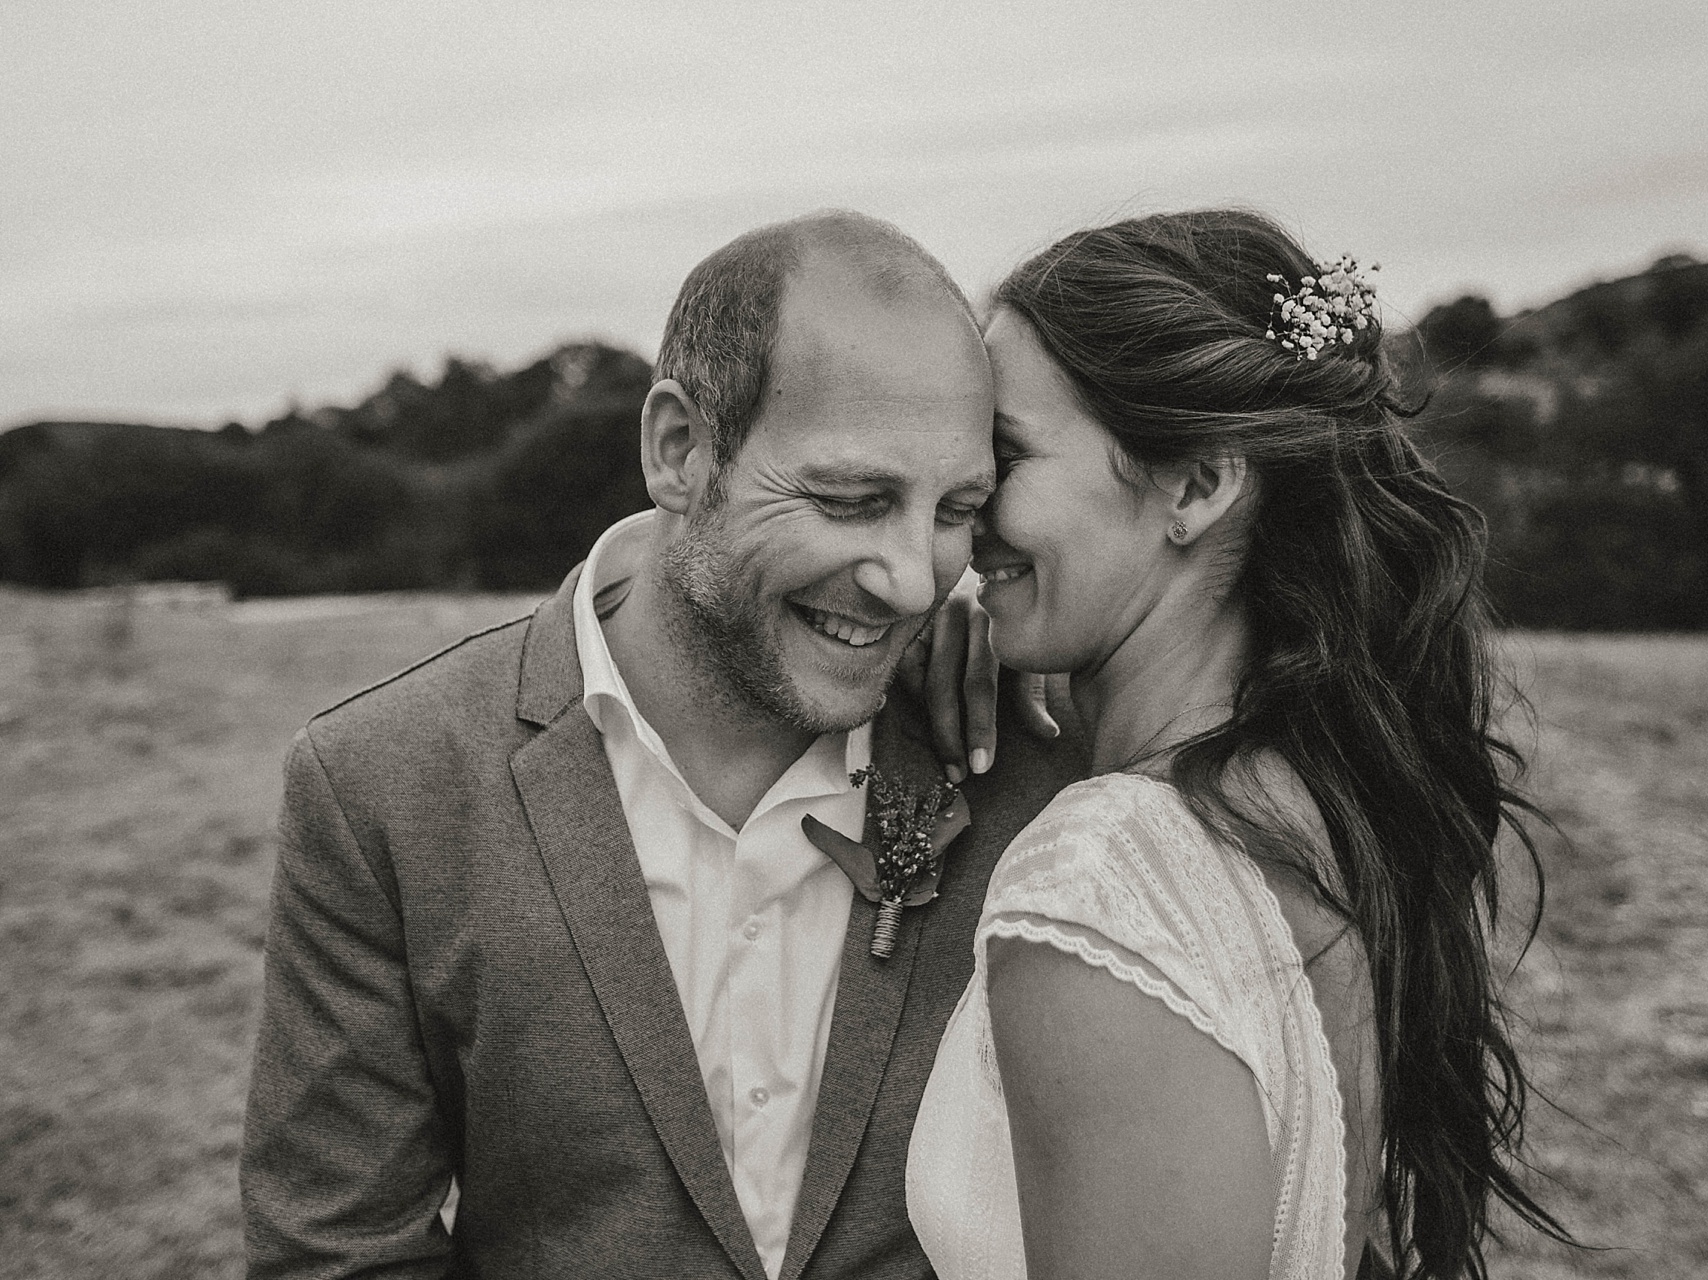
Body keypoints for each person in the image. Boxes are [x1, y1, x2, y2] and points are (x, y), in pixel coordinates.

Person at [240, 210, 1082, 1280]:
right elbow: (339, 1250)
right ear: (681, 448)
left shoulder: (1035, 754)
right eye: (851, 499)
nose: (915, 578)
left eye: (956, 508)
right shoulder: (381, 784)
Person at [906, 211, 1575, 1280]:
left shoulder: (1100, 883)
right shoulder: (1313, 797)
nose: (966, 504)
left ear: (1200, 484)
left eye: (1004, 455)